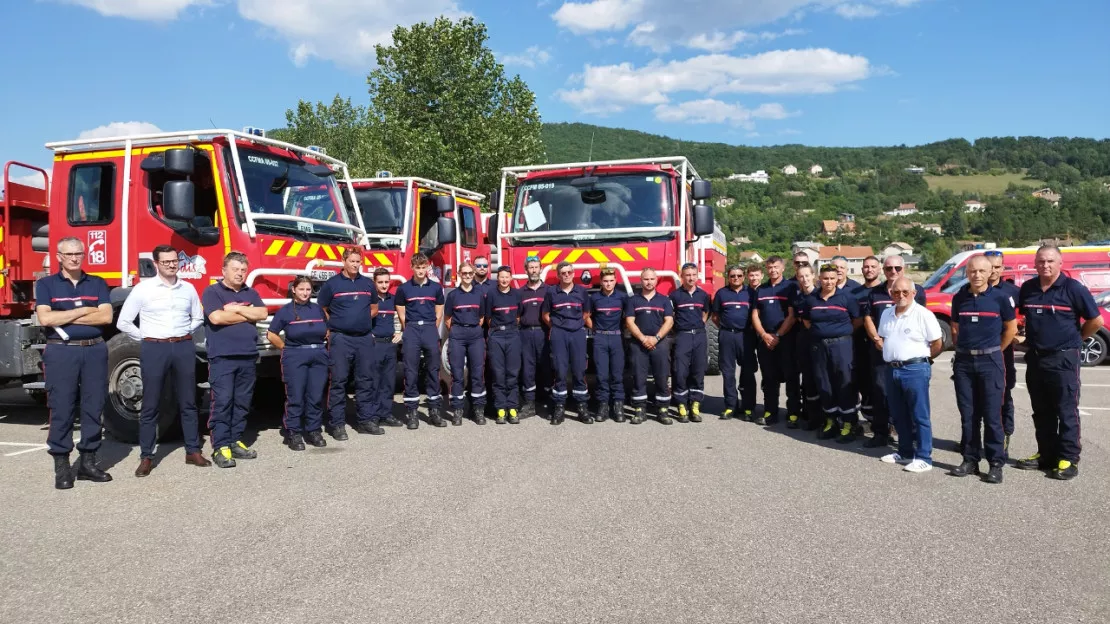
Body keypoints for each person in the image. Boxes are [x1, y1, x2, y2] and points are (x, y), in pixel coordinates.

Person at [117, 245, 208, 476]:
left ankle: (193, 450)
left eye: (174, 261)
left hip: (182, 346)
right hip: (154, 348)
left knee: (188, 402)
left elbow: (198, 316)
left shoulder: (187, 288)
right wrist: (146, 337)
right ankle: (147, 456)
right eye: (166, 261)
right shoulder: (143, 289)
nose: (171, 265)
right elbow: (124, 322)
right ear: (156, 264)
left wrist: (184, 332)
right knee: (150, 404)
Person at [1015, 245, 1103, 480]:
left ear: (1060, 263)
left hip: (1063, 358)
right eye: (1041, 261)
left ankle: (1068, 459)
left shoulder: (1073, 289)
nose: (1045, 265)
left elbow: (1096, 320)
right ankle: (1046, 454)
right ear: (1035, 264)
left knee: (1066, 410)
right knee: (1041, 411)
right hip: (1035, 358)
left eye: (1050, 261)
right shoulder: (1028, 289)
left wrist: (1076, 339)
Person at [37, 237, 114, 489]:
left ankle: (88, 463)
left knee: (94, 406)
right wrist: (84, 311)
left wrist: (65, 317)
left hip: (94, 350)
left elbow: (105, 316)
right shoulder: (46, 285)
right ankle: (62, 467)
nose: (74, 258)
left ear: (84, 255)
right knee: (62, 408)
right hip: (61, 352)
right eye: (68, 254)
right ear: (58, 256)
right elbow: (45, 319)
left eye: (78, 253)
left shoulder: (98, 283)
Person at [948, 255, 1017, 483]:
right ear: (966, 273)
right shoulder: (960, 298)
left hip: (991, 362)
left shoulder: (1000, 298)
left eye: (981, 271)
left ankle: (996, 463)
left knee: (992, 415)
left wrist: (996, 349)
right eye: (972, 271)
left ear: (990, 273)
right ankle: (970, 459)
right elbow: (955, 328)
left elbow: (1010, 328)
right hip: (965, 364)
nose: (976, 275)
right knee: (968, 415)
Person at [202, 251, 268, 468]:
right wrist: (246, 312)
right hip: (223, 357)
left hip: (248, 356)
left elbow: (262, 314)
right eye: (235, 269)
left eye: (243, 270)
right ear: (224, 271)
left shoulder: (251, 292)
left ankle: (235, 440)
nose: (240, 273)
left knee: (242, 402)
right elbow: (217, 317)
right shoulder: (213, 292)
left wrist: (237, 308)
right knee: (222, 402)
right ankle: (221, 446)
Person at [877, 276, 944, 474]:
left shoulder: (923, 314)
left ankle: (924, 457)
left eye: (905, 292)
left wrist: (922, 362)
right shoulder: (887, 313)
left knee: (919, 415)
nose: (901, 295)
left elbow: (937, 343)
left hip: (915, 369)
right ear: (891, 293)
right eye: (896, 292)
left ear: (914, 293)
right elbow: (885, 338)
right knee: (898, 414)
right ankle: (905, 451)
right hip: (892, 368)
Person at [861, 255, 927, 447]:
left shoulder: (917, 291)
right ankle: (881, 433)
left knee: (908, 395)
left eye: (897, 268)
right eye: (889, 269)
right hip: (881, 351)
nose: (893, 272)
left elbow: (920, 318)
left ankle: (912, 437)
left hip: (907, 353)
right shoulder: (875, 293)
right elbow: (868, 318)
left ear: (903, 269)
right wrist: (876, 339)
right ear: (883, 270)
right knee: (880, 393)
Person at [317, 248, 376, 439]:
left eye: (358, 261)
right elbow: (322, 307)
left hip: (364, 338)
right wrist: (335, 323)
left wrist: (360, 320)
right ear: (344, 261)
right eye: (352, 261)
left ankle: (365, 420)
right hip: (341, 338)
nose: (355, 265)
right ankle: (337, 424)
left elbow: (374, 307)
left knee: (365, 380)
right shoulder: (332, 284)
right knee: (339, 381)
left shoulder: (368, 283)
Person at [799, 263, 861, 442]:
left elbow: (857, 320)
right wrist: (822, 333)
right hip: (819, 346)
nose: (828, 282)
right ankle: (831, 421)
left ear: (837, 279)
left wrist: (839, 332)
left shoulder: (847, 297)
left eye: (832, 278)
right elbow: (806, 321)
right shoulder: (811, 299)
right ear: (819, 279)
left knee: (844, 382)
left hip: (842, 346)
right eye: (825, 278)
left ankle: (849, 423)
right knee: (824, 383)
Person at [266, 277, 329, 451]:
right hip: (296, 355)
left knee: (315, 396)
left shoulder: (317, 310)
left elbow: (327, 329)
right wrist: (285, 348)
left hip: (318, 355)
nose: (305, 293)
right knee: (296, 397)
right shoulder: (286, 311)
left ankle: (314, 430)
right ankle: (294, 432)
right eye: (301, 289)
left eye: (308, 289)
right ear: (294, 290)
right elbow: (271, 334)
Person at [396, 253, 446, 428]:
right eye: (417, 267)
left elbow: (439, 310)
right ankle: (412, 412)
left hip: (429, 328)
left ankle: (434, 410)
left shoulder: (435, 288)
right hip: (412, 330)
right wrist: (408, 327)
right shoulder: (404, 289)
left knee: (433, 369)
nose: (420, 271)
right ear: (412, 267)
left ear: (427, 267)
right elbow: (401, 312)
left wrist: (432, 325)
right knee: (411, 371)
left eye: (423, 267)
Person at [751, 256, 800, 426]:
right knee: (769, 379)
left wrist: (778, 335)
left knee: (791, 378)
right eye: (770, 267)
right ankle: (770, 412)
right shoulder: (761, 289)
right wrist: (764, 335)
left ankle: (793, 414)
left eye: (776, 267)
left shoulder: (790, 287)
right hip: (765, 341)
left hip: (786, 340)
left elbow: (792, 315)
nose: (773, 270)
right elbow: (755, 315)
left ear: (782, 268)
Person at [542, 261, 590, 424]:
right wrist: (557, 327)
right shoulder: (551, 292)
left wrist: (575, 325)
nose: (567, 275)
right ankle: (559, 408)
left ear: (573, 273)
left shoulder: (582, 292)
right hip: (559, 334)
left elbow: (586, 313)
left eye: (569, 272)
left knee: (579, 370)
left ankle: (582, 407)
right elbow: (546, 314)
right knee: (560, 371)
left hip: (577, 333)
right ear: (558, 275)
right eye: (563, 273)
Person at [626, 268, 675, 425]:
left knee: (662, 376)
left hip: (659, 344)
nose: (649, 282)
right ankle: (639, 410)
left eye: (652, 279)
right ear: (641, 281)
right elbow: (629, 321)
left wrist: (656, 338)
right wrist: (642, 338)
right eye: (646, 279)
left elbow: (669, 321)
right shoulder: (633, 300)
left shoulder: (664, 300)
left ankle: (663, 410)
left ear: (656, 280)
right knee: (638, 377)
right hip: (638, 344)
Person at [985, 249, 1020, 453]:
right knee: (979, 398)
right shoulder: (971, 290)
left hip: (1003, 353)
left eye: (997, 267)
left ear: (1003, 268)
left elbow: (1024, 317)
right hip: (979, 353)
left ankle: (1005, 438)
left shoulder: (1013, 292)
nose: (993, 271)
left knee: (1004, 396)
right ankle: (975, 440)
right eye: (990, 267)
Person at [445, 262, 486, 426]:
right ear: (459, 274)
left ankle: (478, 409)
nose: (468, 276)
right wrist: (458, 330)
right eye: (465, 273)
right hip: (458, 335)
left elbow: (482, 318)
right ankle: (457, 410)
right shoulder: (453, 295)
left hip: (475, 334)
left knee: (477, 373)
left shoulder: (479, 294)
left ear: (474, 273)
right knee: (457, 374)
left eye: (470, 273)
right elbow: (448, 319)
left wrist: (472, 328)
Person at [714, 264, 757, 422]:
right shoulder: (721, 293)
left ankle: (748, 408)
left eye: (739, 275)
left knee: (747, 373)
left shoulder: (751, 293)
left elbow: (756, 315)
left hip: (745, 336)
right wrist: (727, 329)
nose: (736, 278)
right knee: (728, 373)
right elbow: (715, 317)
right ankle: (730, 406)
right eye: (733, 276)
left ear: (744, 277)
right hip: (727, 336)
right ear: (728, 277)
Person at [670, 262, 711, 422]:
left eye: (694, 275)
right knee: (680, 371)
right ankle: (681, 405)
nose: (691, 278)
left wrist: (699, 324)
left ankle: (695, 405)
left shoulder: (703, 295)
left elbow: (706, 312)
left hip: (699, 336)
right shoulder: (675, 296)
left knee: (698, 370)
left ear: (697, 275)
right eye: (687, 275)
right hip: (682, 336)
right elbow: (670, 316)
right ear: (682, 276)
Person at [587, 267, 628, 423]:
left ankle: (618, 406)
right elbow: (587, 316)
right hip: (600, 339)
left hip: (617, 338)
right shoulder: (595, 298)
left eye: (611, 281)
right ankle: (603, 406)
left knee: (617, 375)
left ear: (616, 281)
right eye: (605, 281)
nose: (608, 284)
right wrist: (595, 329)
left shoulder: (623, 298)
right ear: (601, 282)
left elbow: (628, 317)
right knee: (602, 375)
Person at [486, 266, 523, 424]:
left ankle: (513, 408)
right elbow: (488, 318)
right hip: (497, 336)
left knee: (513, 373)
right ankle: (501, 409)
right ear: (497, 278)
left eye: (507, 277)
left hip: (513, 334)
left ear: (511, 278)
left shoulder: (517, 294)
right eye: (501, 277)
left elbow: (518, 316)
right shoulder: (492, 295)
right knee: (498, 373)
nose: (504, 280)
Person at [369, 268, 403, 430]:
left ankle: (386, 414)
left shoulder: (394, 299)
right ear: (374, 283)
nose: (384, 285)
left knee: (388, 381)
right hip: (375, 346)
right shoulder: (370, 300)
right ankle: (374, 415)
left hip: (390, 345)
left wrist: (400, 333)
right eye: (380, 282)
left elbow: (401, 318)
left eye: (386, 282)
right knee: (374, 381)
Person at [791, 263, 822, 430]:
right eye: (801, 276)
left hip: (820, 342)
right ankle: (813, 417)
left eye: (807, 276)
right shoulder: (797, 298)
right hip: (804, 342)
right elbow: (798, 320)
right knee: (809, 381)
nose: (804, 279)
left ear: (813, 276)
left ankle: (829, 418)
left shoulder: (821, 295)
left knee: (823, 380)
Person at [852, 256, 882, 425]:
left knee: (880, 385)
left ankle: (886, 422)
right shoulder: (854, 293)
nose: (869, 269)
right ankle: (870, 420)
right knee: (864, 383)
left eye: (873, 266)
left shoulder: (885, 291)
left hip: (880, 344)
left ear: (879, 269)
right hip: (860, 344)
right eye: (866, 267)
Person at [518, 256, 549, 418]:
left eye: (536, 267)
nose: (534, 270)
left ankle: (549, 402)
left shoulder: (549, 290)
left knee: (547, 367)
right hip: (525, 333)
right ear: (526, 270)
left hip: (544, 333)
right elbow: (517, 315)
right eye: (531, 267)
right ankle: (529, 404)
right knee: (528, 369)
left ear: (541, 268)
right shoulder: (520, 292)